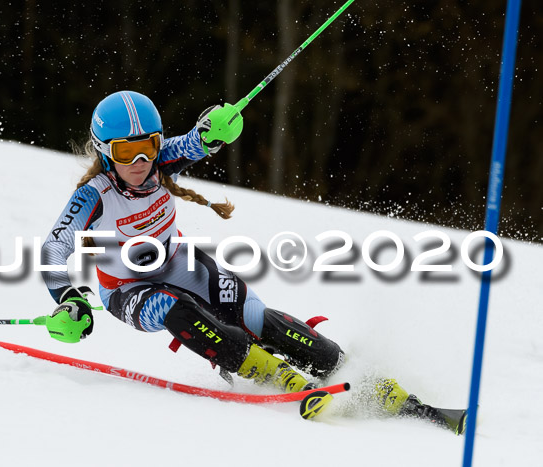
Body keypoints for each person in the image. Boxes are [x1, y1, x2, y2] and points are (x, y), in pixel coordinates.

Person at [40, 90, 466, 432]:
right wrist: (68, 298)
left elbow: (199, 139)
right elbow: (53, 250)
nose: (140, 161)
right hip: (126, 291)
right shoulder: (93, 195)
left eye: (148, 146)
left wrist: (217, 126)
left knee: (254, 315)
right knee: (174, 310)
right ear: (104, 150)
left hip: (178, 263)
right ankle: (275, 375)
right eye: (125, 150)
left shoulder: (161, 160)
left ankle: (351, 372)